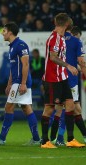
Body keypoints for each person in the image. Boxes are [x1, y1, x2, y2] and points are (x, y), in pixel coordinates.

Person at [0, 22, 40, 146]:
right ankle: (36, 138)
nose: (2, 33)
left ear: (10, 32)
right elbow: (14, 67)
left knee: (8, 107)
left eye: (4, 31)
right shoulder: (12, 46)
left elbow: (26, 64)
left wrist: (22, 83)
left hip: (20, 82)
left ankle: (2, 138)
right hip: (16, 82)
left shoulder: (21, 44)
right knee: (26, 108)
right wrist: (9, 83)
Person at [41, 13, 85, 148]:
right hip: (52, 79)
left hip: (62, 78)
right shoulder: (54, 38)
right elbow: (53, 57)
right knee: (49, 108)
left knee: (71, 105)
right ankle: (45, 141)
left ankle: (70, 139)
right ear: (66, 24)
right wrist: (69, 66)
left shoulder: (60, 38)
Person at [50, 25, 86, 145]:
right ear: (75, 34)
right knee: (75, 108)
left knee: (59, 109)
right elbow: (81, 61)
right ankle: (64, 137)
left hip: (58, 78)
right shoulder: (76, 41)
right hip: (70, 79)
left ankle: (53, 138)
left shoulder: (58, 39)